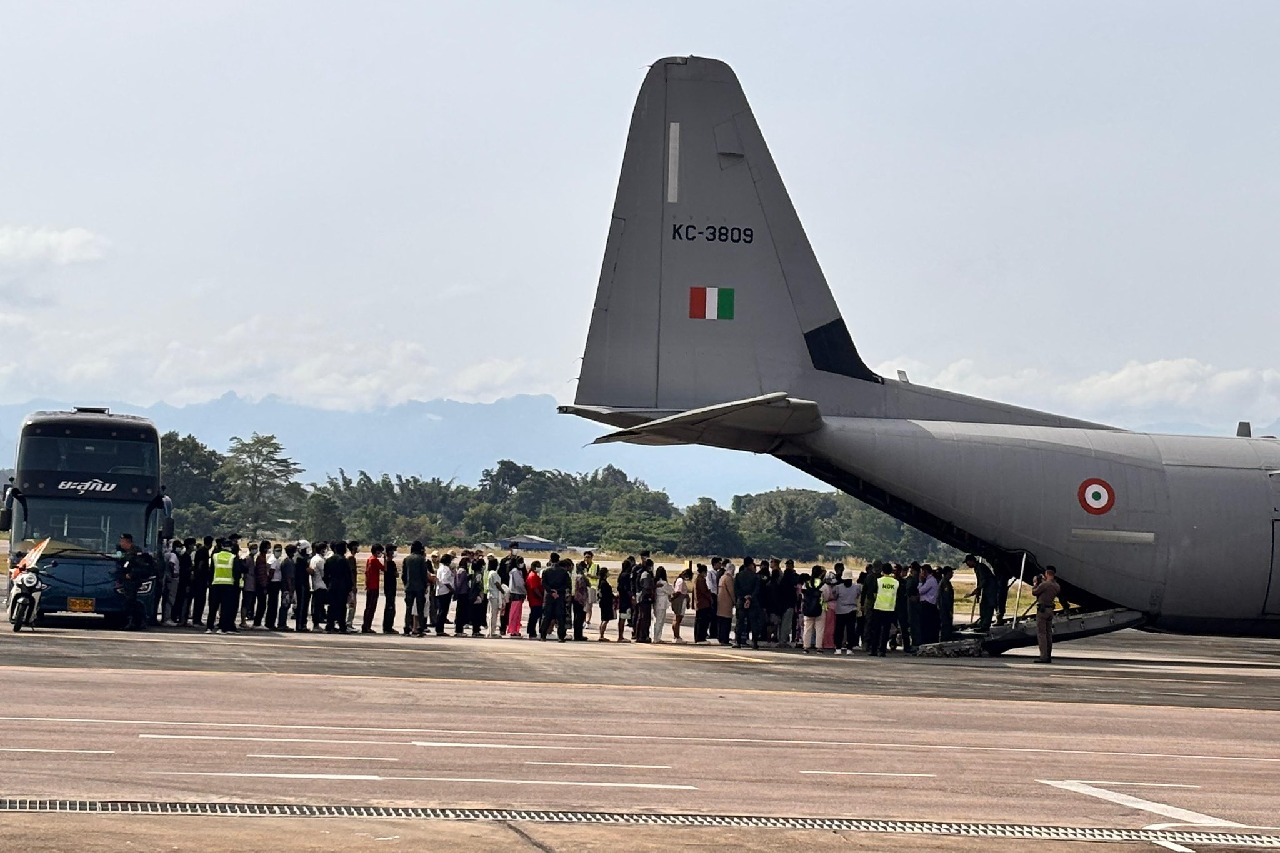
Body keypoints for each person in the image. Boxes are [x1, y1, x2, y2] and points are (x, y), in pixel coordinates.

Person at [206, 537, 238, 634]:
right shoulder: (233, 557)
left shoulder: (215, 556)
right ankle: (222, 628)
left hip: (216, 584)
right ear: (230, 547)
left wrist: (210, 582)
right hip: (228, 585)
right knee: (225, 608)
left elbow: (211, 570)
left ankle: (209, 627)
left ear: (222, 546)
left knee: (213, 607)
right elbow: (236, 572)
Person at [1032, 566, 1062, 663]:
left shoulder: (1045, 585)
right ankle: (1048, 655)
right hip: (1050, 610)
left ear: (1047, 573)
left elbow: (1034, 592)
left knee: (1042, 634)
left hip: (1042, 611)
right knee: (1049, 634)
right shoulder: (1057, 586)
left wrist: (1035, 583)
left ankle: (1043, 657)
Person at [868, 564, 898, 656]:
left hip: (878, 607)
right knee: (886, 631)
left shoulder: (879, 581)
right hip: (890, 608)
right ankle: (882, 650)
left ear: (882, 571)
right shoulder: (896, 582)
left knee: (876, 630)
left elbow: (872, 593)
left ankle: (874, 650)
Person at [323, 540, 352, 633]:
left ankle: (330, 625)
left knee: (332, 606)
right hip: (342, 586)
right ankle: (342, 626)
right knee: (342, 607)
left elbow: (325, 575)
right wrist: (350, 587)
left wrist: (328, 584)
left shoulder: (329, 560)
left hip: (332, 585)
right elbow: (348, 575)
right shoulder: (344, 560)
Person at [540, 558, 571, 642]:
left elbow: (543, 583)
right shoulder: (564, 572)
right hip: (559, 596)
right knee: (560, 617)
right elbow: (567, 584)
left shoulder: (546, 571)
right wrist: (558, 591)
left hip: (549, 596)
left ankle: (543, 635)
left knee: (546, 616)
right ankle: (561, 637)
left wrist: (551, 591)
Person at [964, 554, 998, 632]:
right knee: (983, 606)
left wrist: (978, 589)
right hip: (986, 590)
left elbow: (984, 580)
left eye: (967, 562)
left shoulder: (980, 567)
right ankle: (983, 623)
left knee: (988, 607)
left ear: (971, 561)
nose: (967, 564)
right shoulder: (977, 567)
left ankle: (985, 625)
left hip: (990, 589)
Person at [733, 558, 760, 649]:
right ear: (751, 564)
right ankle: (754, 642)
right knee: (753, 622)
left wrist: (743, 597)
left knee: (740, 622)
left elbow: (736, 590)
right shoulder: (755, 576)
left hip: (741, 601)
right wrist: (750, 597)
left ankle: (738, 641)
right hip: (752, 602)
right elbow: (757, 590)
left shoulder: (738, 576)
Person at [402, 541, 429, 637]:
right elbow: (423, 575)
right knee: (420, 609)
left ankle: (406, 628)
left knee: (408, 609)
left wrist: (406, 585)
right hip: (419, 587)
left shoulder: (407, 559)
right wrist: (425, 586)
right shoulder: (421, 559)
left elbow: (404, 575)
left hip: (409, 587)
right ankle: (420, 628)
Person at [833, 572, 860, 654]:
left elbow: (835, 596)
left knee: (839, 630)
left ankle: (838, 648)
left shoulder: (838, 587)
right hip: (851, 610)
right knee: (850, 630)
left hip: (840, 611)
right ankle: (849, 648)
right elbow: (858, 596)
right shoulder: (856, 587)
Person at [189, 536, 212, 627]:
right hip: (201, 578)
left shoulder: (200, 550)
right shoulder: (204, 552)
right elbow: (201, 564)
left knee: (199, 600)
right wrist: (201, 574)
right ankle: (196, 619)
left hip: (199, 578)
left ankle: (197, 619)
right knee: (200, 600)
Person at [361, 544, 385, 633]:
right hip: (374, 586)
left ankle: (365, 625)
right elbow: (384, 568)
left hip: (370, 585)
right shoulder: (375, 560)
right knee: (371, 607)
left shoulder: (369, 559)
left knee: (368, 607)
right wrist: (385, 559)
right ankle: (367, 626)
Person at [800, 567, 824, 653]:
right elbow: (825, 595)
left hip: (808, 608)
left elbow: (802, 596)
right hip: (820, 608)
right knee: (819, 629)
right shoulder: (821, 583)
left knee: (807, 628)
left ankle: (806, 647)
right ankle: (819, 647)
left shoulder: (806, 583)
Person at [917, 565, 940, 645]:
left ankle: (926, 642)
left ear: (925, 572)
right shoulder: (929, 580)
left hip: (928, 605)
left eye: (922, 572)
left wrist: (920, 581)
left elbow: (920, 591)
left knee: (925, 625)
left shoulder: (930, 581)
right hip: (928, 605)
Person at [292, 541, 312, 632]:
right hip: (302, 584)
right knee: (302, 605)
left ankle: (302, 623)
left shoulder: (298, 557)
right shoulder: (299, 559)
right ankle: (300, 624)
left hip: (302, 583)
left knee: (303, 604)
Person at [309, 542, 329, 630]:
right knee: (318, 606)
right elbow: (324, 574)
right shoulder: (320, 560)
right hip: (321, 585)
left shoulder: (314, 558)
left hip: (315, 584)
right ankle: (316, 625)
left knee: (317, 605)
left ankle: (316, 623)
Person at [484, 555, 505, 638]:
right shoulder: (494, 573)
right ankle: (491, 632)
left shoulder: (489, 573)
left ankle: (490, 631)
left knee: (491, 614)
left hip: (491, 595)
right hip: (494, 595)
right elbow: (497, 584)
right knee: (493, 614)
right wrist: (503, 591)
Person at [715, 562, 735, 645]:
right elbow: (731, 591)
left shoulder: (722, 577)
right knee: (726, 622)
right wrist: (735, 601)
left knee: (721, 622)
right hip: (727, 603)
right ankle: (725, 639)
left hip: (720, 602)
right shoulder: (728, 579)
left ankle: (720, 638)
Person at [505, 557, 526, 638]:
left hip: (517, 594)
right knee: (515, 613)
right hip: (516, 593)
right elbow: (519, 584)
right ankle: (513, 630)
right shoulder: (515, 572)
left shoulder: (516, 571)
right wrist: (525, 590)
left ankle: (515, 630)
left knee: (517, 614)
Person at [693, 564, 713, 644]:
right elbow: (704, 591)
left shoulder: (696, 579)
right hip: (703, 603)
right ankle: (701, 638)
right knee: (703, 621)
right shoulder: (701, 580)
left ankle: (698, 637)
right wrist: (710, 596)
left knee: (699, 621)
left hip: (699, 603)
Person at [670, 567, 691, 643]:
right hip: (680, 601)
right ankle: (676, 636)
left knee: (677, 618)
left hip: (681, 600)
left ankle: (676, 636)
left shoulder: (679, 580)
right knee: (678, 618)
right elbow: (678, 592)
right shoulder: (680, 581)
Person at [651, 566, 671, 643]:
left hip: (656, 601)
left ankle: (654, 636)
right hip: (662, 603)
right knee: (660, 621)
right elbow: (670, 591)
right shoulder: (663, 583)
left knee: (655, 620)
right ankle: (657, 637)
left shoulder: (655, 582)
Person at [525, 561, 545, 638]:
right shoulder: (533, 576)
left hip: (535, 599)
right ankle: (531, 631)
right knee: (534, 616)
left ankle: (532, 631)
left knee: (535, 616)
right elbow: (535, 588)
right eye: (538, 566)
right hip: (535, 600)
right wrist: (541, 597)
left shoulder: (533, 575)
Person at [572, 564, 590, 641]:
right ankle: (578, 635)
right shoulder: (581, 577)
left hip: (575, 598)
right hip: (580, 599)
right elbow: (584, 587)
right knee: (580, 618)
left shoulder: (576, 577)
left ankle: (577, 634)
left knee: (577, 617)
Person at [596, 567, 615, 641]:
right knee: (605, 619)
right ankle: (601, 635)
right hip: (606, 602)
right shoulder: (604, 583)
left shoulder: (602, 582)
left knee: (604, 618)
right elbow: (606, 593)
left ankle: (601, 634)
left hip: (603, 602)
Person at [938, 566, 956, 641]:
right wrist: (949, 610)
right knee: (946, 626)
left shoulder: (946, 582)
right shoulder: (945, 583)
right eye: (951, 572)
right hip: (945, 609)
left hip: (944, 608)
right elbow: (946, 598)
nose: (952, 574)